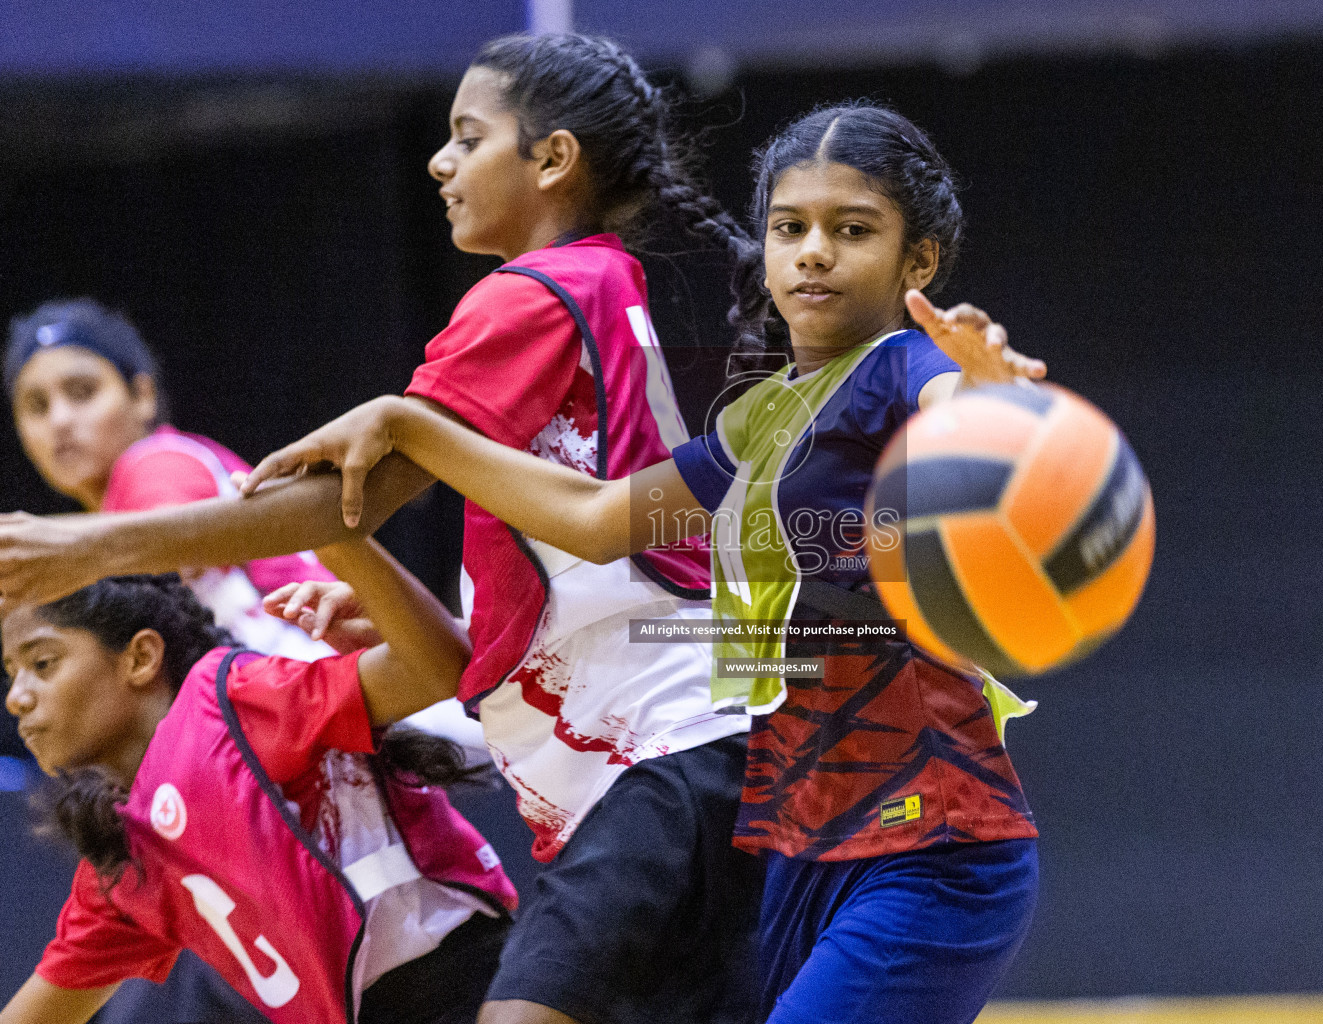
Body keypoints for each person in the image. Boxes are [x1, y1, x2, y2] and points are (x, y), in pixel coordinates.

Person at [0, 33, 764, 1024]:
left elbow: (356, 497)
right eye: (32, 404)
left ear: (552, 158)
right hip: (590, 738)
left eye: (466, 136)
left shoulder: (529, 292)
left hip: (494, 742)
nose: (439, 162)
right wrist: (366, 571)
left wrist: (78, 547)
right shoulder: (593, 284)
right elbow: (509, 538)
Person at [238, 102, 1048, 1024]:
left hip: (931, 848)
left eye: (851, 230)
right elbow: (589, 517)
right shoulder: (760, 422)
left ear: (920, 264)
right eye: (791, 227)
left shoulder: (904, 368)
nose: (813, 251)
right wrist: (438, 527)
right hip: (796, 852)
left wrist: (987, 398)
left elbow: (960, 414)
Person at [0, 537, 517, 1024]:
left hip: (470, 978)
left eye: (42, 663)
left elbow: (436, 667)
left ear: (140, 657)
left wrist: (336, 533)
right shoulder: (123, 853)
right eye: (11, 673)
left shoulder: (233, 701)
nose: (16, 698)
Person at [5, 298, 332, 660]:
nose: (59, 420)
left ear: (142, 396)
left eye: (83, 392)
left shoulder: (157, 461)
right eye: (37, 406)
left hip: (341, 683)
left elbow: (159, 561)